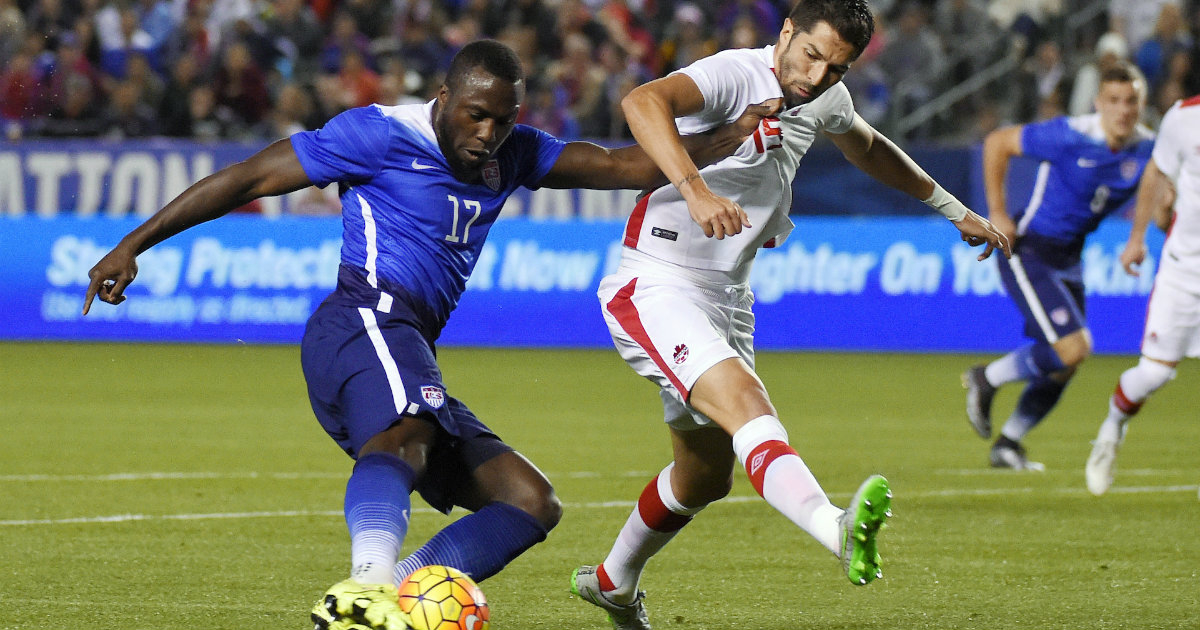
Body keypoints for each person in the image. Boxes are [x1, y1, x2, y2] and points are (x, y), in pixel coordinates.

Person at [81, 39, 779, 630]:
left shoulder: (514, 155)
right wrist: (133, 244)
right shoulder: (380, 135)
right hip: (362, 320)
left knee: (530, 502)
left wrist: (733, 133)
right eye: (477, 116)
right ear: (445, 100)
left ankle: (400, 596)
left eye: (504, 121)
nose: (489, 135)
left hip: (407, 342)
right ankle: (367, 586)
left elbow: (622, 165)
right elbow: (250, 177)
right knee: (408, 434)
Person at [568, 2, 1011, 628]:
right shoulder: (733, 74)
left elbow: (868, 146)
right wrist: (695, 190)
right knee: (749, 404)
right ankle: (837, 528)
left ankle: (614, 582)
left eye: (837, 67)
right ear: (786, 32)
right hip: (655, 281)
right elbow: (643, 101)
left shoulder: (823, 93)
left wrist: (950, 207)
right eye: (810, 55)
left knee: (702, 478)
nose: (816, 76)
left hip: (728, 297)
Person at [962, 62, 1155, 471]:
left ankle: (1008, 443)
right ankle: (988, 378)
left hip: (1069, 259)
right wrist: (998, 213)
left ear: (1142, 104)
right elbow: (998, 142)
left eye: (1132, 101)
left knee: (1065, 364)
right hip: (1029, 250)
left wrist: (1140, 236)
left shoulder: (1146, 149)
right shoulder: (1070, 135)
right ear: (1099, 103)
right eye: (1114, 101)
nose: (1123, 110)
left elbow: (1161, 186)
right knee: (1072, 348)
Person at [1085, 93, 1199, 497]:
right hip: (1185, 271)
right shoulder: (1185, 118)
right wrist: (1138, 237)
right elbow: (1157, 173)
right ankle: (1112, 428)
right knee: (1154, 374)